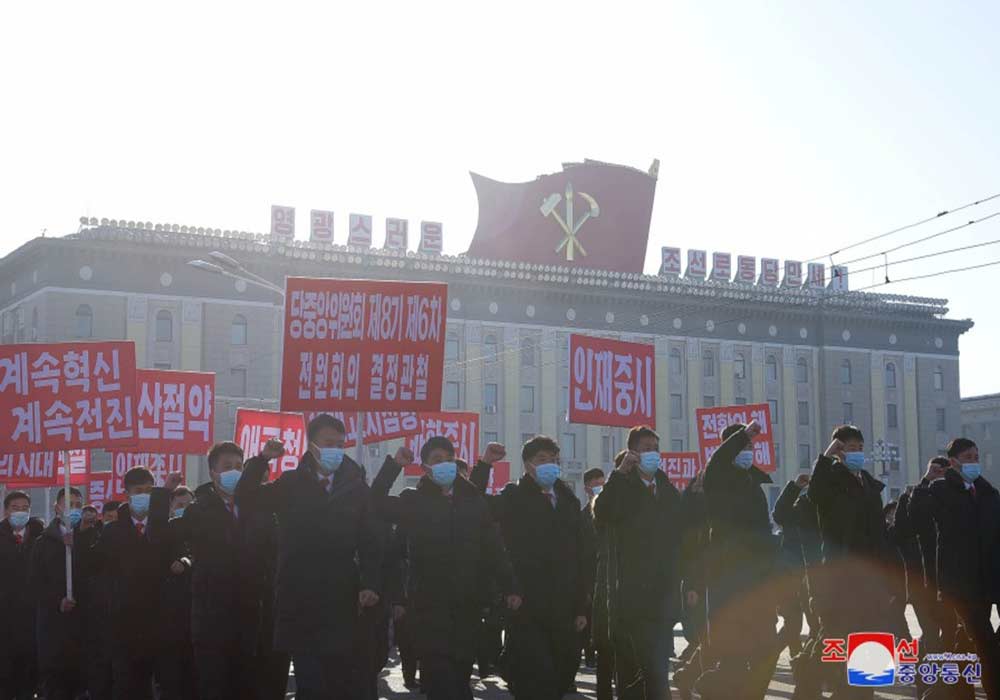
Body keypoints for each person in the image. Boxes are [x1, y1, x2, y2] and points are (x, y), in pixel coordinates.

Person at [236, 414, 383, 700]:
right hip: (299, 597)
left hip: (342, 598)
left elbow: (370, 542)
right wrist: (262, 459)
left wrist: (370, 583)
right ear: (313, 444)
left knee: (340, 682)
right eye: (329, 443)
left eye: (341, 444)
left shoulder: (356, 488)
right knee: (311, 683)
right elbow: (247, 497)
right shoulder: (290, 483)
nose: (335, 450)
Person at [372, 436, 519, 700]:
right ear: (425, 468)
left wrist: (510, 586)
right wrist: (394, 466)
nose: (445, 465)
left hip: (467, 606)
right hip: (429, 607)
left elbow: (494, 548)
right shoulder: (414, 502)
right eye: (437, 460)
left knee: (461, 679)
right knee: (441, 681)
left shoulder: (472, 503)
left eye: (449, 460)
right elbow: (375, 502)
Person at [471, 436, 590, 700]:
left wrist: (581, 604)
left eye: (554, 460)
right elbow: (475, 502)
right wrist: (485, 464)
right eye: (542, 460)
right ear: (527, 465)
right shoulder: (513, 496)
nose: (550, 465)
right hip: (527, 601)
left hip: (565, 604)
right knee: (535, 675)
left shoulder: (568, 500)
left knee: (562, 672)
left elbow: (579, 554)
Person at [173, 441, 289, 700]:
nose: (234, 472)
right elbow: (165, 538)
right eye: (227, 467)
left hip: (251, 615)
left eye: (239, 466)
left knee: (247, 686)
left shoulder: (259, 510)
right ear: (213, 472)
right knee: (215, 686)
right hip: (212, 617)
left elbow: (274, 553)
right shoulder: (199, 509)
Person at [592, 426, 680, 700]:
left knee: (657, 677)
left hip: (661, 597)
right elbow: (602, 512)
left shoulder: (666, 488)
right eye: (645, 448)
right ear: (632, 453)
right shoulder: (622, 485)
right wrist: (619, 474)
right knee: (631, 678)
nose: (652, 453)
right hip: (629, 597)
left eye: (655, 447)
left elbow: (681, 534)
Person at [693, 421, 780, 700]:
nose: (748, 451)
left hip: (758, 578)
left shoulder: (753, 483)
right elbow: (717, 459)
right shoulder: (717, 476)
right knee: (733, 651)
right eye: (742, 446)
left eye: (750, 447)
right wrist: (743, 434)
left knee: (767, 646)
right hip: (728, 575)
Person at [807, 425, 893, 699]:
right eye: (849, 448)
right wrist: (826, 456)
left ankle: (863, 689)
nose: (856, 453)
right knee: (840, 632)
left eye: (859, 447)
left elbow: (879, 530)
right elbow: (815, 492)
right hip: (841, 572)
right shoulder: (830, 480)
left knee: (870, 632)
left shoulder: (868, 483)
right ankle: (819, 683)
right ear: (840, 452)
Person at [909, 438, 1000, 699]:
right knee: (986, 645)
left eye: (976, 456)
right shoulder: (940, 491)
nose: (974, 462)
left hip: (987, 582)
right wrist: (925, 481)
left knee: (966, 641)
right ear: (953, 462)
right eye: (969, 457)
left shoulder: (987, 493)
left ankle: (950, 690)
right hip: (959, 584)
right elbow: (916, 519)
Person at [82, 466, 180, 700]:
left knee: (168, 684)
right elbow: (93, 566)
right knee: (129, 684)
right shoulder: (112, 531)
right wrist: (82, 535)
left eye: (149, 490)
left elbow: (178, 553)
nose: (144, 495)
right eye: (139, 490)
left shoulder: (163, 527)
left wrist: (182, 562)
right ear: (127, 494)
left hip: (162, 618)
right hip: (124, 623)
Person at [29, 487, 90, 700]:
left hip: (83, 627)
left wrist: (79, 548)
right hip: (53, 628)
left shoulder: (90, 539)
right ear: (57, 508)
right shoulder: (42, 543)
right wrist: (58, 601)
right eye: (69, 504)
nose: (73, 509)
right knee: (55, 685)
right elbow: (36, 584)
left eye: (77, 505)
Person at [901, 458, 949, 655]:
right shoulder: (910, 497)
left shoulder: (954, 500)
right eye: (934, 471)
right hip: (920, 577)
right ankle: (927, 678)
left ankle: (943, 678)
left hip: (948, 579)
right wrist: (925, 481)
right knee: (930, 631)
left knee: (947, 631)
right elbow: (900, 532)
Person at [0, 491, 44, 700]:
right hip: (5, 614)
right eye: (15, 508)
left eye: (24, 508)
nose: (20, 512)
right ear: (6, 511)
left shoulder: (40, 537)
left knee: (29, 665)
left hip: (32, 611)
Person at [156, 485, 196, 700]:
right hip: (170, 615)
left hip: (199, 614)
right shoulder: (165, 532)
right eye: (180, 505)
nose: (185, 509)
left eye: (189, 505)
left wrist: (187, 562)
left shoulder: (204, 530)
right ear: (171, 507)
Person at [580, 467, 605, 673]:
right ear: (587, 487)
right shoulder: (582, 516)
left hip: (607, 572)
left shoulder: (609, 512)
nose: (599, 486)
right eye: (595, 483)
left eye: (602, 482)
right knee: (588, 617)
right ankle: (589, 653)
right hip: (589, 574)